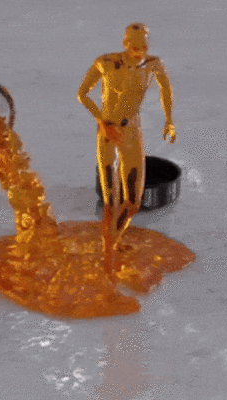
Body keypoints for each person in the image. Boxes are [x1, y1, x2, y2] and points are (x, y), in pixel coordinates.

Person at [77, 22, 176, 276]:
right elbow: (83, 93)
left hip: (132, 130)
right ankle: (108, 254)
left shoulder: (152, 65)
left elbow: (165, 88)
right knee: (110, 202)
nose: (139, 51)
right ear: (125, 44)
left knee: (133, 202)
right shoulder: (106, 62)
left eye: (144, 46)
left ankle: (111, 244)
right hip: (108, 132)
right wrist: (102, 122)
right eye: (134, 46)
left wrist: (169, 121)